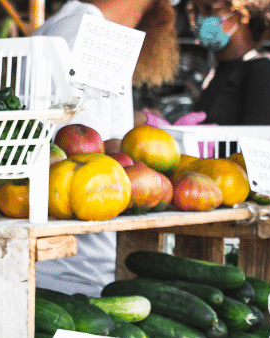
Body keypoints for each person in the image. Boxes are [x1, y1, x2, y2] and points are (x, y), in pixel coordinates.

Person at [30, 0, 180, 296]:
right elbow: (87, 153)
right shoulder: (95, 36)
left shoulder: (57, 25)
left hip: (48, 257)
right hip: (80, 266)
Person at [189, 0, 270, 125]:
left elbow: (260, 140)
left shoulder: (264, 68)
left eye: (209, 9)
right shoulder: (216, 72)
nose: (200, 19)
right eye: (197, 11)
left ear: (241, 12)